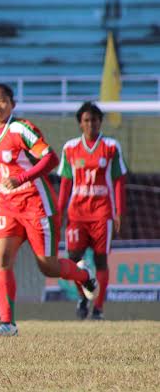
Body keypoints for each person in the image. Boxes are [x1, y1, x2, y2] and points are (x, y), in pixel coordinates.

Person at [0, 83, 98, 337]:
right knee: (2, 261)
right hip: (7, 207)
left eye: (2, 101)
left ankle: (84, 275)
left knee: (47, 267)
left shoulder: (21, 129)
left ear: (12, 104)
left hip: (35, 203)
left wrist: (22, 179)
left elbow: (50, 158)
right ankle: (7, 323)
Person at [57, 102, 127, 320]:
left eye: (95, 120)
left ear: (100, 122)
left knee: (101, 261)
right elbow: (66, 183)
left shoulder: (111, 146)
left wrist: (119, 213)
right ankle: (83, 297)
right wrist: (59, 213)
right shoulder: (69, 148)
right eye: (86, 120)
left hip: (101, 214)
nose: (91, 124)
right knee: (73, 260)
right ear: (80, 123)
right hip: (76, 214)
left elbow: (118, 182)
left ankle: (98, 307)